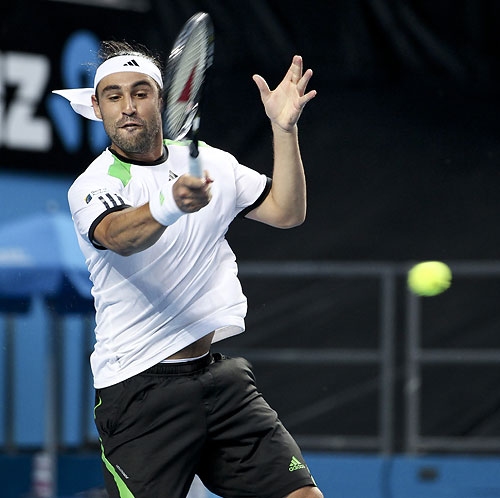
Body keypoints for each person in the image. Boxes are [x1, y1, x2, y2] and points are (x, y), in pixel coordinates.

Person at [54, 39, 320, 498]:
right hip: (138, 391)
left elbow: (287, 211)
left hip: (217, 380)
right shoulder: (92, 184)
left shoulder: (210, 160)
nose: (128, 106)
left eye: (140, 92)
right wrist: (169, 204)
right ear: (97, 108)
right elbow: (118, 235)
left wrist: (283, 130)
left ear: (163, 99)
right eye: (114, 96)